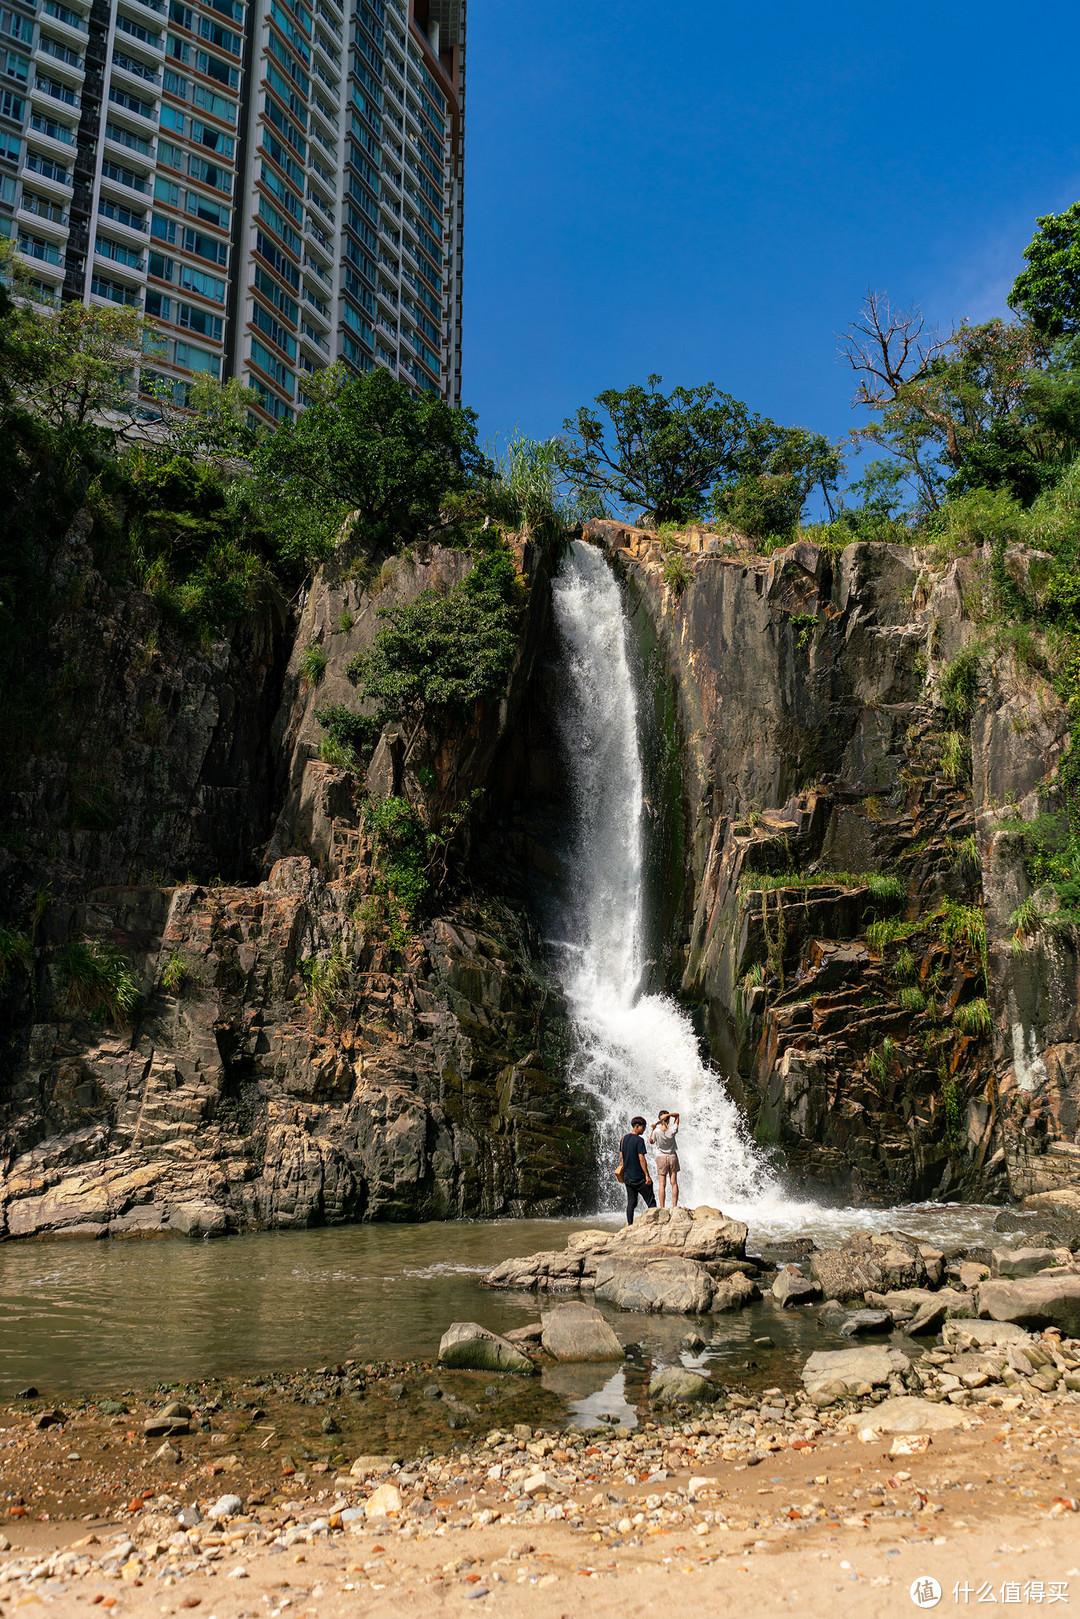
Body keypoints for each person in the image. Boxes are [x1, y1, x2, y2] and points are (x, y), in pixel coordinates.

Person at [616, 1115, 656, 1225]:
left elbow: (621, 1157)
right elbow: (641, 1159)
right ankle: (655, 1223)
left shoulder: (623, 1139)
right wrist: (647, 1175)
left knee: (631, 1202)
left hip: (628, 1177)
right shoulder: (639, 1140)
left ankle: (630, 1224)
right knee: (651, 1201)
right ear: (637, 1126)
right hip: (639, 1177)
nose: (644, 1130)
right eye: (643, 1127)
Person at [650, 1109, 680, 1208]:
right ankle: (674, 1206)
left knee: (662, 1184)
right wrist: (669, 1114)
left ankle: (662, 1207)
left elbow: (651, 1141)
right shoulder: (673, 1129)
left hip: (661, 1158)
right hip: (672, 1157)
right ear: (668, 1119)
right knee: (674, 1182)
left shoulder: (656, 1131)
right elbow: (677, 1115)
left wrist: (653, 1128)